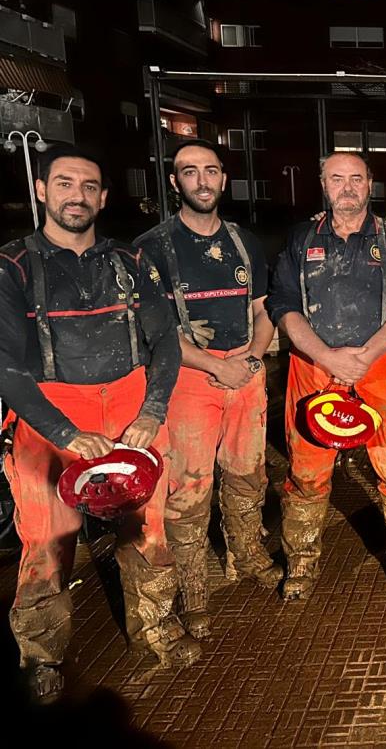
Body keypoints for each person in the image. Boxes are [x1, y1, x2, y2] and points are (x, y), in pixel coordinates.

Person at [0, 145, 199, 703]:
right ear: (42, 190)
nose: (77, 196)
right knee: (47, 541)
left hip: (131, 409)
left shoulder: (130, 261)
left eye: (89, 186)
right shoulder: (12, 267)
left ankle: (156, 627)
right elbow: (5, 364)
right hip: (50, 416)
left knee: (147, 529)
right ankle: (41, 654)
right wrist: (64, 433)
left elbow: (165, 341)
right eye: (64, 183)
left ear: (103, 197)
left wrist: (153, 410)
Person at [266, 151, 386, 599]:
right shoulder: (300, 239)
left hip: (379, 367)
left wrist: (367, 354)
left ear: (370, 183)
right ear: (324, 184)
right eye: (337, 178)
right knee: (307, 471)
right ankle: (301, 563)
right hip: (313, 368)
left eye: (356, 178)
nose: (348, 187)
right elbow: (282, 304)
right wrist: (325, 356)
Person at [135, 139, 281, 640]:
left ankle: (247, 552)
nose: (202, 180)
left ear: (223, 178)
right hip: (189, 377)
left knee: (247, 474)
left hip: (245, 371)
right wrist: (214, 366)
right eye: (190, 171)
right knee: (189, 488)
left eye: (211, 170)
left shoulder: (244, 241)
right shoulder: (152, 247)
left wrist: (252, 359)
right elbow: (157, 330)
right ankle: (194, 587)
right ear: (174, 181)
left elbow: (263, 309)